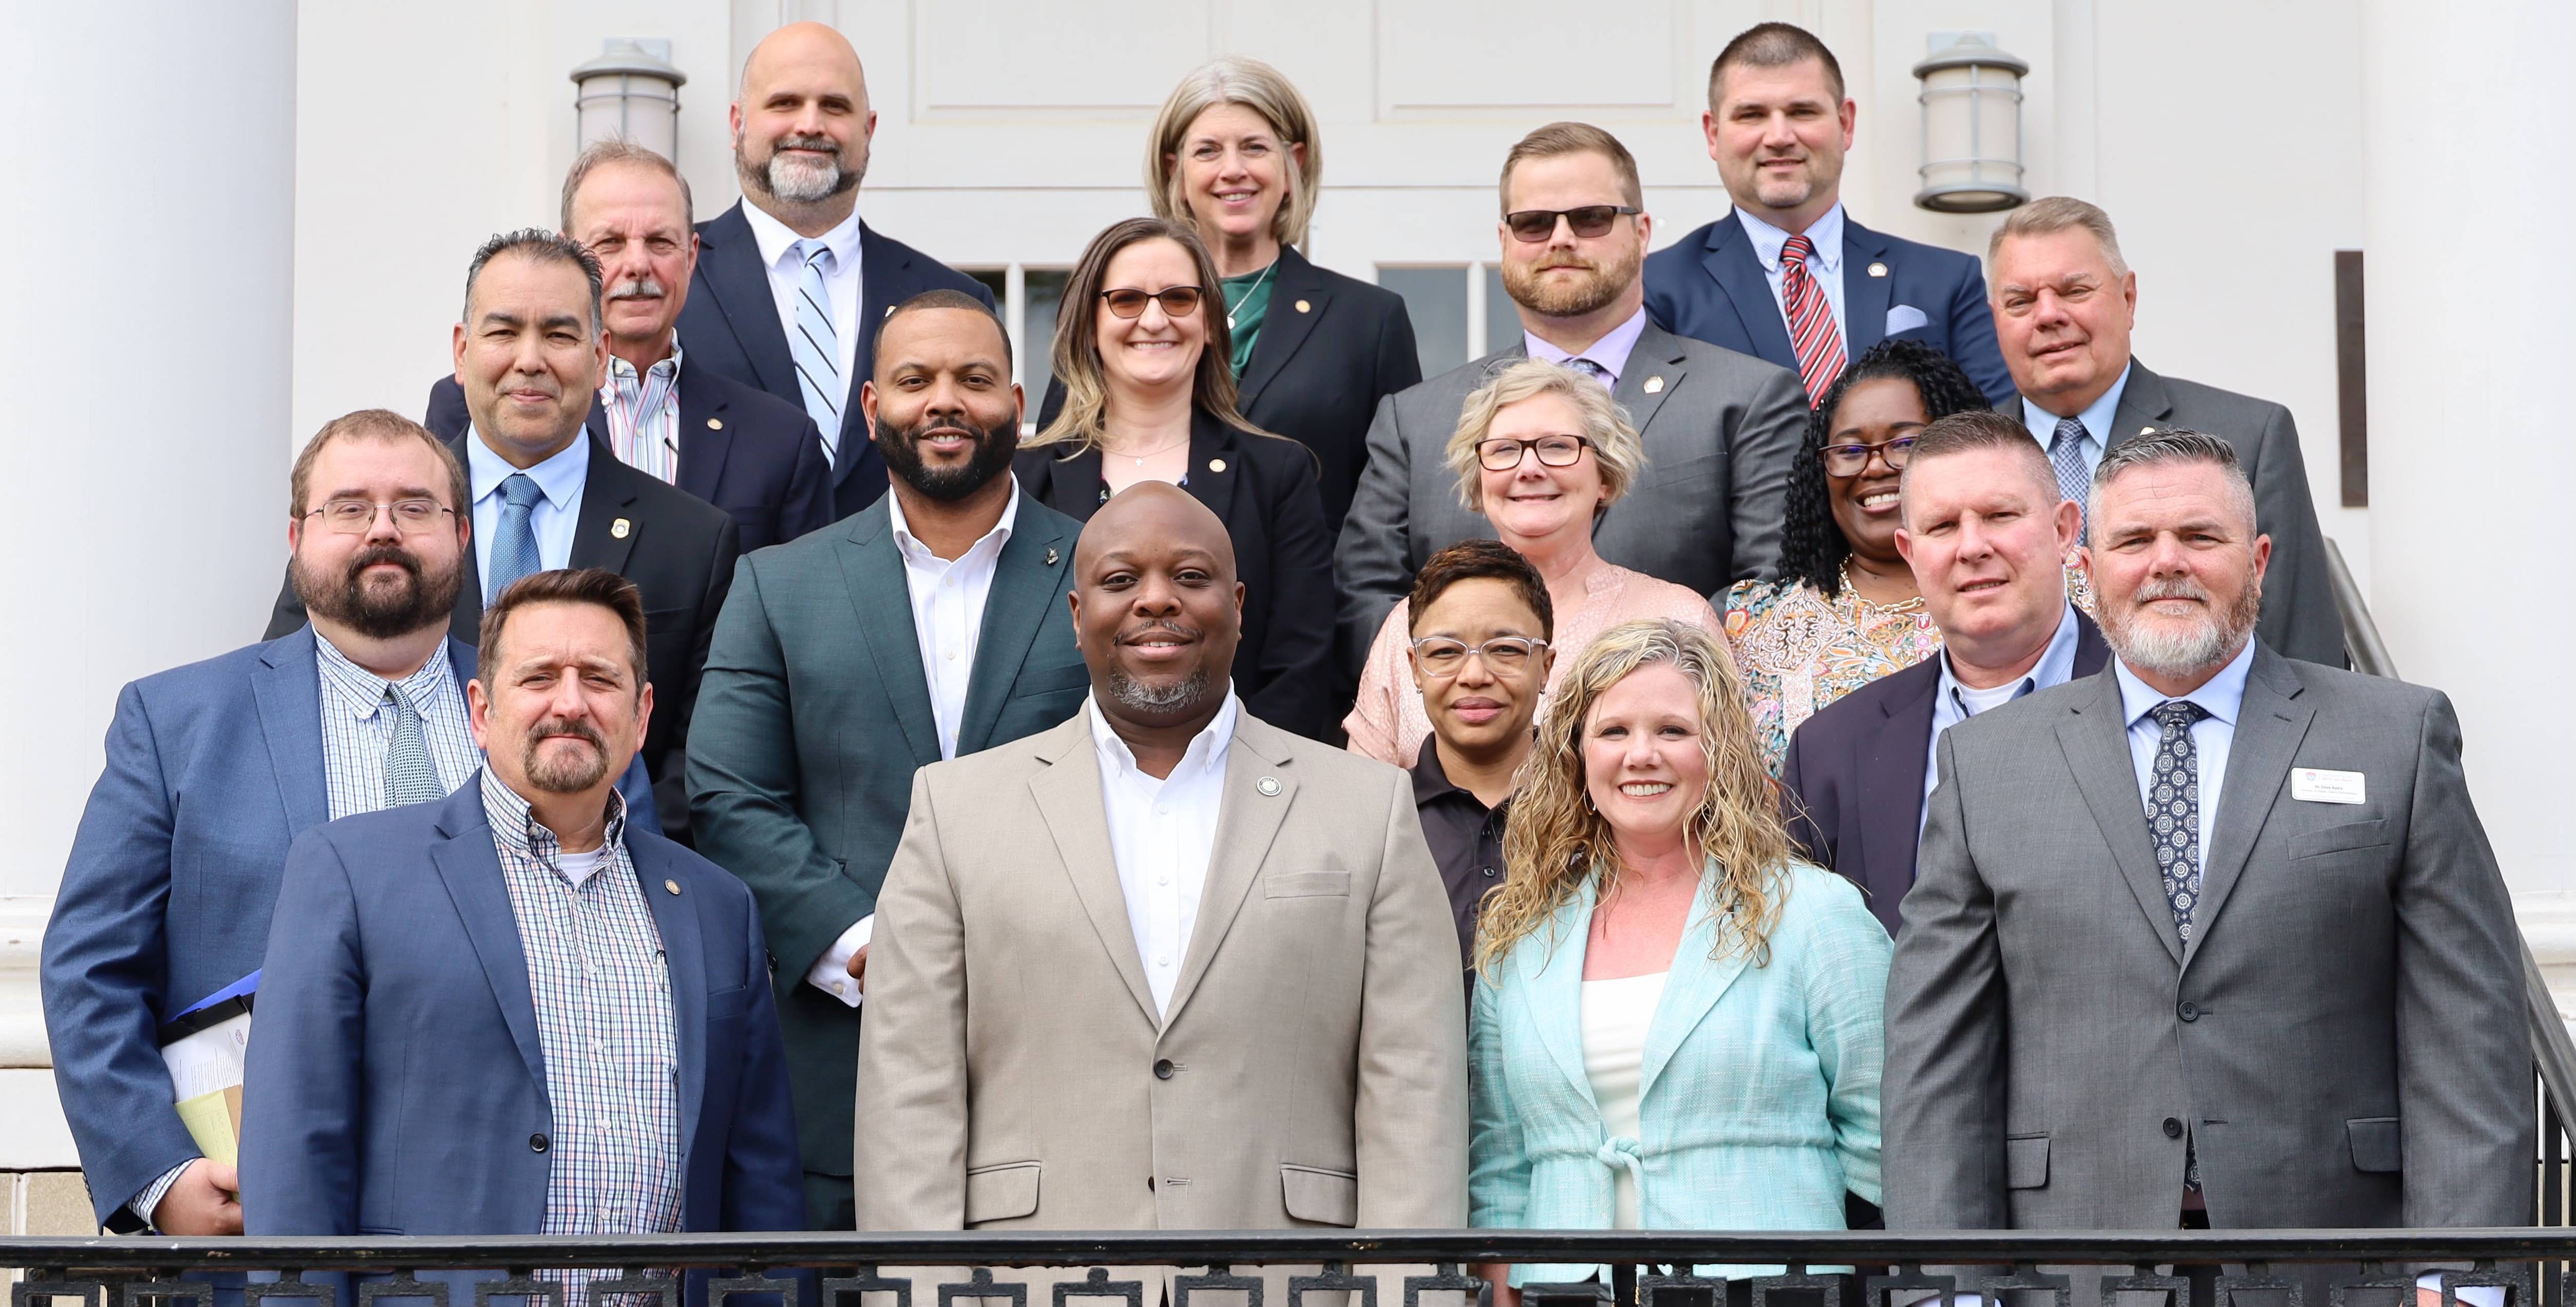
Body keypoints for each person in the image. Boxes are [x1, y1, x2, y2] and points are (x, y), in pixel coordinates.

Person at [1884, 431, 2528, 1240]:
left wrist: (2457, 1279)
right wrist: (1952, 1291)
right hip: (2074, 1265)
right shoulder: (1985, 766)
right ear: (2085, 569)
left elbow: (2468, 1028)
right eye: (2132, 541)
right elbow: (1936, 1059)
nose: (2165, 562)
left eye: (2198, 536)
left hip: (2334, 1263)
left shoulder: (2392, 737)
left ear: (2257, 561)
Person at [41, 411, 655, 1237]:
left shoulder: (562, 718)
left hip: (507, 1215)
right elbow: (92, 967)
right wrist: (158, 1173)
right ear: (296, 537)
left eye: (415, 508)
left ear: (464, 534)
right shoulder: (176, 722)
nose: (382, 530)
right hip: (259, 1210)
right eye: (347, 508)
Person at [854, 482, 1466, 1240]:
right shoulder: (955, 812)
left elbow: (1416, 1095)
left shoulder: (1368, 808)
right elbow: (908, 1102)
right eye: (1119, 581)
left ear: (1237, 606)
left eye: (1189, 576)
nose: (1155, 601)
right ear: (1077, 617)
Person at [240, 569, 801, 1263]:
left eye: (599, 679)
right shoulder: (350, 872)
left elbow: (762, 1184)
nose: (570, 703)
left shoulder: (719, 907)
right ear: (480, 711)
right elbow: (296, 1144)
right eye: (538, 678)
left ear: (642, 714)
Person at [687, 291, 1091, 1230]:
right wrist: (867, 947)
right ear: (872, 409)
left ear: (1018, 405)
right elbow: (729, 791)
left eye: (974, 379)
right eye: (916, 381)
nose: (944, 401)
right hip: (839, 1066)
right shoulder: (779, 584)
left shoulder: (1103, 575)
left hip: (1067, 1050)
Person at [1469, 619, 1888, 1292]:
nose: (1641, 755)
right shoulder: (1521, 938)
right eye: (1613, 732)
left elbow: (1885, 1136)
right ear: (1575, 755)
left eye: (1671, 730)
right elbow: (1497, 1162)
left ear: (1717, 749)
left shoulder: (1813, 914)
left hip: (1766, 1291)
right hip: (1566, 1293)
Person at [269, 231, 738, 821]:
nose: (530, 359)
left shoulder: (694, 541)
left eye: (560, 334)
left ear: (600, 359)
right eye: (504, 331)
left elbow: (695, 763)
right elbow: (288, 688)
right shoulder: (371, 523)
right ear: (462, 352)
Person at [1337, 122, 1805, 678]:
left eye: (1591, 218)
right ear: (1504, 240)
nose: (1561, 238)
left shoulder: (1749, 397)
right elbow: (1368, 597)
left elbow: (1771, 589)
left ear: (1642, 231)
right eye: (1533, 223)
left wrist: (1625, 691)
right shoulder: (1414, 420)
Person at [1031, 57, 1420, 536]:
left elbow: (1402, 500)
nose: (1232, 170)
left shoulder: (1369, 321)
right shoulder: (1115, 311)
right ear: (1175, 170)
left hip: (1310, 601)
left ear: (1292, 163)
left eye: (1254, 148)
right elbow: (1056, 466)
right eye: (1208, 151)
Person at [1780, 410, 2111, 937]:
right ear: (1910, 554)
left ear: (2064, 530)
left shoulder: (2154, 705)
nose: (1972, 547)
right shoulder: (1828, 751)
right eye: (1942, 526)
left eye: (2000, 515)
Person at [425, 141, 834, 552]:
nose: (638, 264)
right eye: (611, 243)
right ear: (568, 254)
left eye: (660, 241)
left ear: (691, 256)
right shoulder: (468, 406)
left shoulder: (779, 440)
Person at [1016, 217, 1336, 740]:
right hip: (1061, 788)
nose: (1154, 318)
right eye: (1126, 300)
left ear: (1209, 323)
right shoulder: (1026, 478)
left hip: (1237, 784)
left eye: (1178, 298)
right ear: (1089, 324)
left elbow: (1300, 663)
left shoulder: (1277, 474)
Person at [1988, 197, 2341, 666]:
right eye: (2021, 301)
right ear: (1995, 318)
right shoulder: (1961, 461)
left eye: (2074, 291)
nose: (2048, 315)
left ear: (2128, 298)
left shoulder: (2248, 436)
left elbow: (2302, 645)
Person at [677, 21, 1000, 522]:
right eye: (784, 103)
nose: (810, 124)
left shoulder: (953, 299)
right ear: (738, 122)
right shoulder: (671, 282)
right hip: (724, 598)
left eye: (834, 106)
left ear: (868, 129)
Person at [1345, 360, 1724, 767]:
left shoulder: (1679, 617)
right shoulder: (1412, 624)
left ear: (1605, 476)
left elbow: (1728, 791)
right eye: (1505, 450)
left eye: (1558, 446)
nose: (1528, 468)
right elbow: (1363, 801)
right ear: (1479, 479)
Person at [1645, 23, 2013, 408]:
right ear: (1712, 134)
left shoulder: (1946, 281)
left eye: (1801, 111)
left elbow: (1994, 433)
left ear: (1846, 123)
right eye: (1752, 115)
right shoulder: (1656, 290)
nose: (1779, 136)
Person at [1722, 339, 1977, 772]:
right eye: (1849, 451)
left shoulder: (2038, 588)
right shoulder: (1756, 625)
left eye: (1904, 443)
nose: (1874, 467)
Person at [1400, 540, 1558, 978]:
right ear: (1415, 667)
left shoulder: (1596, 807)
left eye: (1506, 649)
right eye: (1445, 652)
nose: (1474, 675)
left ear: (1545, 666)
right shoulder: (1379, 820)